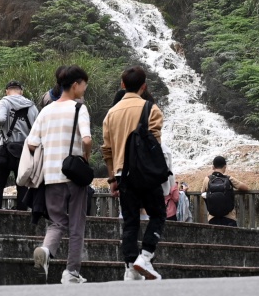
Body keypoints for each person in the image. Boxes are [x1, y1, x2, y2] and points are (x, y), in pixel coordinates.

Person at [24, 64, 94, 284]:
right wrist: (86, 158)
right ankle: (71, 272)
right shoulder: (78, 108)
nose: (84, 90)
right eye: (83, 85)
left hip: (51, 177)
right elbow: (87, 139)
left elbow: (32, 144)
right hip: (74, 175)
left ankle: (46, 250)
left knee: (56, 223)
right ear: (75, 85)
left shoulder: (46, 110)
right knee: (76, 224)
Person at [101, 66, 165, 280]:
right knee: (158, 213)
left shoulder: (111, 113)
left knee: (130, 220)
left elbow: (107, 150)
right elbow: (155, 143)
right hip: (145, 172)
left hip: (122, 173)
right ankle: (145, 256)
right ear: (144, 86)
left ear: (122, 85)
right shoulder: (151, 109)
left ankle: (130, 268)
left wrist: (112, 178)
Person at [0, 81, 38, 209]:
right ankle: (21, 215)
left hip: (5, 150)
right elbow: (38, 129)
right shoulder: (31, 106)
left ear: (7, 91)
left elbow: (1, 119)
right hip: (23, 151)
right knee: (21, 183)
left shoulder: (4, 102)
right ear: (21, 91)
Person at [205, 156, 247, 226]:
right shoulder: (229, 179)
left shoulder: (207, 179)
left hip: (212, 218)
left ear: (213, 167)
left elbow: (203, 192)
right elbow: (245, 188)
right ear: (225, 167)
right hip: (229, 218)